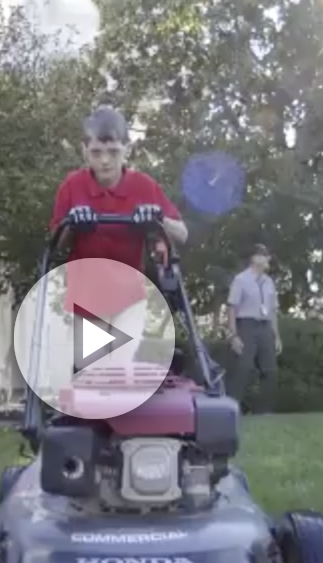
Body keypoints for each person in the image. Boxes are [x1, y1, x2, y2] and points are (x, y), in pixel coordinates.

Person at [49, 105, 188, 368]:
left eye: (113, 152)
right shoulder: (72, 186)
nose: (104, 161)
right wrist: (73, 225)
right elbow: (57, 246)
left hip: (128, 296)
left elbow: (182, 234)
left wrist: (158, 217)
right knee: (96, 370)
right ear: (84, 151)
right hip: (88, 296)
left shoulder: (143, 186)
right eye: (96, 152)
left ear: (127, 149)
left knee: (119, 366)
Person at [225, 244, 282, 413]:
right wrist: (234, 335)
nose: (268, 259)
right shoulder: (241, 279)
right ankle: (231, 410)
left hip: (265, 327)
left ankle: (265, 412)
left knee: (270, 370)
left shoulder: (269, 282)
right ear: (254, 258)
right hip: (246, 325)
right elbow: (231, 307)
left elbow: (272, 310)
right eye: (264, 256)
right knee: (243, 369)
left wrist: (276, 336)